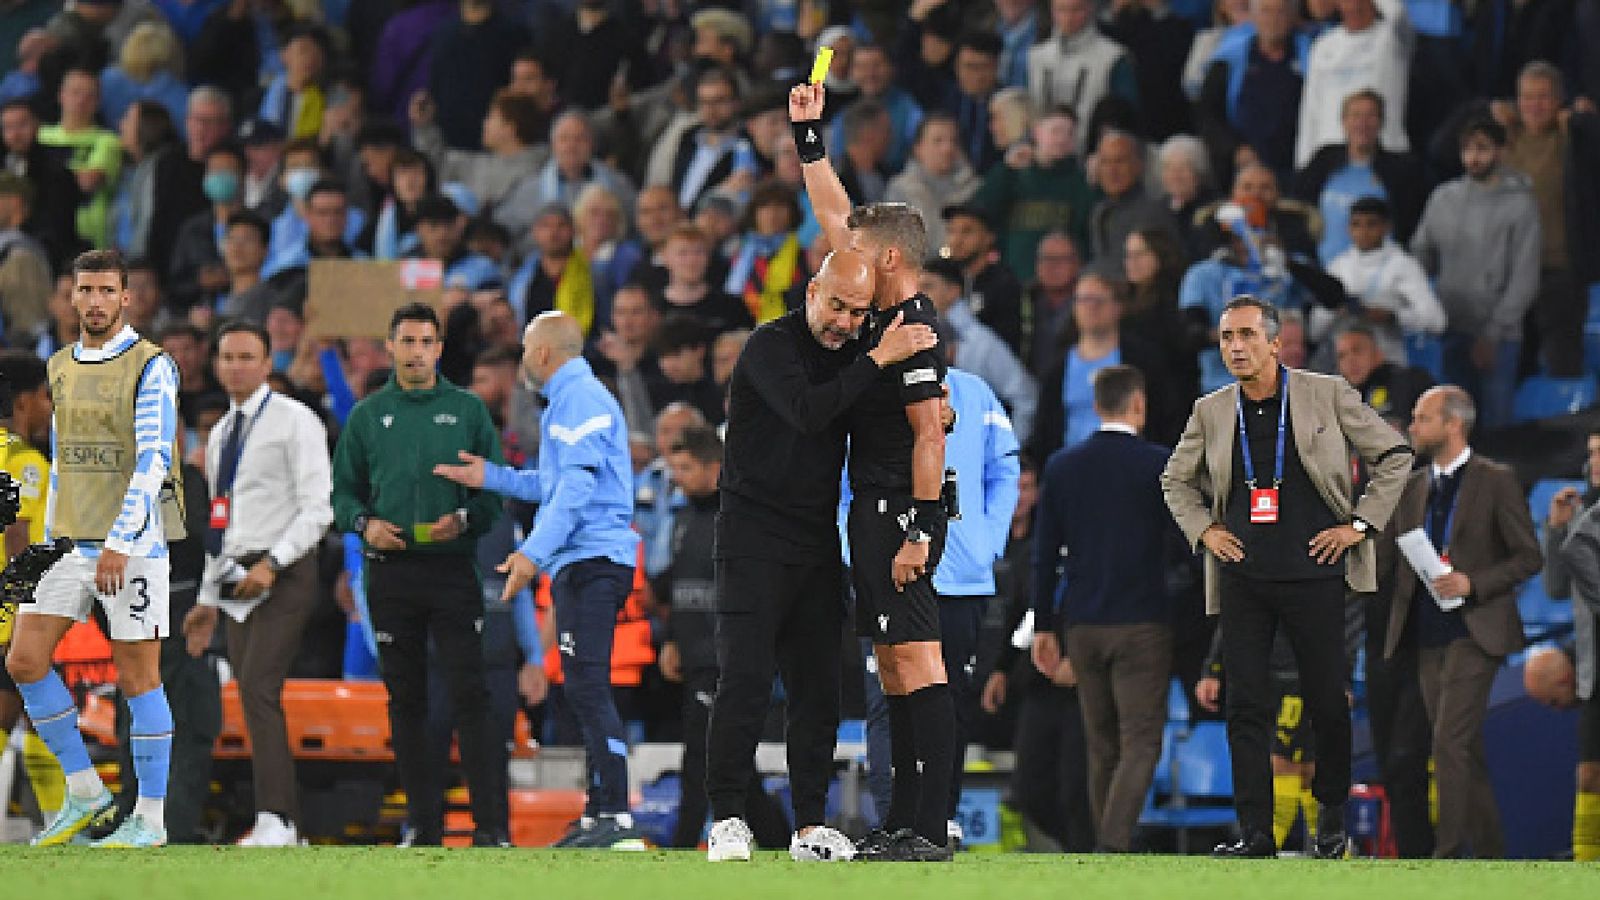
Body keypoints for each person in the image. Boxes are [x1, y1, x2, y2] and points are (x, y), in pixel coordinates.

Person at [703, 247, 937, 863]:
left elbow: (880, 411)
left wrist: (935, 407)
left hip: (814, 541)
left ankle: (810, 824)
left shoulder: (855, 354)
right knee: (746, 682)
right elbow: (809, 412)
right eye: (837, 305)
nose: (846, 322)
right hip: (751, 541)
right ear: (811, 290)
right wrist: (881, 355)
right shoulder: (767, 347)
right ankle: (727, 818)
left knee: (818, 692)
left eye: (860, 312)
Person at [1161, 294, 1413, 858]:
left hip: (1316, 573)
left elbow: (1396, 454)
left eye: (1247, 335)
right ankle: (1255, 836)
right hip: (1243, 576)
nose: (1236, 346)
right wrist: (1204, 531)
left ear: (1276, 343)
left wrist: (1360, 525)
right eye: (1227, 336)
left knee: (1328, 703)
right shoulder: (1211, 409)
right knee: (1243, 706)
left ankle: (1330, 819)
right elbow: (1175, 481)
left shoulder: (1326, 393)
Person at [793, 79, 953, 862]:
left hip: (900, 510)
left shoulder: (915, 329)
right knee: (892, 665)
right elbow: (832, 213)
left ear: (888, 257)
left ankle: (931, 826)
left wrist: (922, 530)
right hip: (878, 505)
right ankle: (907, 818)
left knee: (919, 662)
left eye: (857, 248)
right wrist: (810, 139)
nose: (841, 250)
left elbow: (930, 435)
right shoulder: (882, 309)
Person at [432, 311, 644, 850]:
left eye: (527, 348)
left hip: (593, 559)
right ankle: (601, 813)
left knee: (589, 687)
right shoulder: (574, 401)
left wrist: (530, 554)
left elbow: (574, 492)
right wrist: (492, 477)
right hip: (586, 560)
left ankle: (615, 815)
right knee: (582, 688)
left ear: (543, 354)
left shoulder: (579, 400)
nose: (524, 358)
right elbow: (553, 484)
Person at [6, 248, 185, 848]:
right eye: (86, 291)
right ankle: (85, 788)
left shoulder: (151, 365)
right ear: (71, 297)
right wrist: (51, 537)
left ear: (126, 298)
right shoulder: (58, 365)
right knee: (24, 659)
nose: (97, 301)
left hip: (131, 547)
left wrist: (120, 539)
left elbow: (155, 457)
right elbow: (63, 462)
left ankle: (152, 821)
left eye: (108, 290)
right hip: (68, 542)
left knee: (140, 678)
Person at [330, 302, 506, 847]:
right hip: (390, 573)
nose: (416, 352)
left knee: (470, 696)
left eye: (425, 341)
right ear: (390, 347)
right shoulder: (366, 416)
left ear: (439, 349)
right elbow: (342, 495)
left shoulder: (469, 409)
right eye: (406, 341)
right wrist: (364, 525)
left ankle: (492, 829)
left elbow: (492, 494)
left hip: (453, 570)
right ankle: (423, 827)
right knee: (405, 700)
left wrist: (465, 520)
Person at [179, 320, 332, 847]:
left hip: (285, 568)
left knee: (260, 688)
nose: (236, 366)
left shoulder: (296, 422)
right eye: (227, 357)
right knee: (249, 690)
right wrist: (206, 599)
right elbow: (221, 525)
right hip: (236, 573)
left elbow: (319, 509)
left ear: (269, 364)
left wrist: (274, 562)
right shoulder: (221, 433)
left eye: (247, 357)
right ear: (217, 364)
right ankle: (278, 820)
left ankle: (280, 820)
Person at [861, 365, 1021, 849]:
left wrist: (987, 542)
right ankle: (897, 817)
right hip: (891, 570)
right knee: (888, 702)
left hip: (961, 577)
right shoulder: (873, 384)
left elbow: (1006, 469)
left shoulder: (976, 391)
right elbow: (850, 479)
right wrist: (858, 552)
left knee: (948, 698)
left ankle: (940, 817)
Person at [1384, 386, 1541, 858]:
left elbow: (1528, 556)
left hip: (1477, 630)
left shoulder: (1496, 479)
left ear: (1453, 425)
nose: (1412, 427)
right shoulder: (1413, 485)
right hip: (1427, 632)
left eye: (1421, 418)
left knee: (1447, 743)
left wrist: (1473, 582)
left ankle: (1446, 855)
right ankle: (1492, 858)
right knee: (1463, 751)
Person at [1032, 363, 1175, 852]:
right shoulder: (1160, 465)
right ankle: (1112, 845)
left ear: (1096, 406)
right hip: (1142, 624)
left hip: (1082, 626)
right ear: (1138, 404)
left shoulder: (1062, 466)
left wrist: (1044, 626)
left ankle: (1108, 848)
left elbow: (1044, 553)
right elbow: (1180, 548)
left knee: (1101, 744)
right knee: (1141, 740)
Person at [1410, 115, 1540, 430]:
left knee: (1496, 430)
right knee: (1449, 428)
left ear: (1500, 151)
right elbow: (1420, 254)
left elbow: (1524, 278)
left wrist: (1492, 334)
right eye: (1467, 148)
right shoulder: (1443, 199)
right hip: (1450, 328)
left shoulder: (1521, 205)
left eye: (1482, 148)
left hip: (1499, 338)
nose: (1474, 157)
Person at [0, 351, 63, 826]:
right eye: (46, 397)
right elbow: (17, 539)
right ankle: (66, 821)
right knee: (42, 713)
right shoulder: (26, 463)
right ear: (24, 402)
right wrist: (25, 616)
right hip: (13, 613)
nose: (49, 407)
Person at [1534, 447, 1600, 863]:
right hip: (1594, 664)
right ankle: (1583, 866)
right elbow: (1557, 589)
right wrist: (1557, 531)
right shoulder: (1583, 518)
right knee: (1590, 773)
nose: (1595, 461)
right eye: (1592, 453)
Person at [1319, 196, 1445, 366]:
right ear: (1348, 229)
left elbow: (1436, 321)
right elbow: (1315, 330)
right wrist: (1334, 309)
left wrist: (1393, 316)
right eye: (1356, 224)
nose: (1363, 232)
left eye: (1371, 224)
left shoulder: (1403, 265)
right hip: (1345, 367)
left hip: (1387, 364)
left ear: (1386, 227)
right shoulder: (1338, 267)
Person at [1294, 0, 1411, 168]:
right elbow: (1311, 110)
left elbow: (1398, 13)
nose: (1354, 6)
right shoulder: (1323, 46)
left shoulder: (1392, 39)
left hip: (1385, 152)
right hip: (1329, 155)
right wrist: (1303, 163)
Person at [1026, 0, 1138, 153]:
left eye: (1076, 10)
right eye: (1061, 10)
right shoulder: (1036, 57)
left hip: (1095, 155)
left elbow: (1125, 117)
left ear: (1090, 9)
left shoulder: (1113, 57)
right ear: (1052, 11)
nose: (1068, 18)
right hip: (1042, 156)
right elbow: (1028, 111)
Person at [939, 203, 1024, 351]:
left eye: (967, 232)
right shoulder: (940, 279)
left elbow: (1005, 345)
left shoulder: (1004, 284)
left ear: (989, 237)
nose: (956, 240)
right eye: (951, 231)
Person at [1334, 324, 1434, 431]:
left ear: (1378, 353)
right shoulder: (1341, 401)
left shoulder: (1411, 381)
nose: (1350, 361)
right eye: (1342, 356)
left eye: (1357, 350)